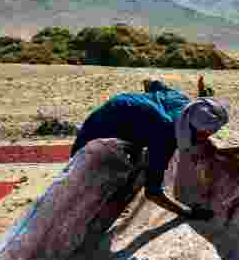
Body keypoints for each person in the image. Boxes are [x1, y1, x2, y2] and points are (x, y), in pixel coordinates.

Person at [71, 84, 227, 221]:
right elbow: (152, 193)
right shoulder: (166, 134)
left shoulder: (181, 99)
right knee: (98, 182)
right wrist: (188, 212)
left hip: (113, 110)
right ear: (192, 128)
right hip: (96, 135)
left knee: (139, 151)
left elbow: (150, 83)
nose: (207, 138)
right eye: (204, 134)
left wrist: (142, 112)